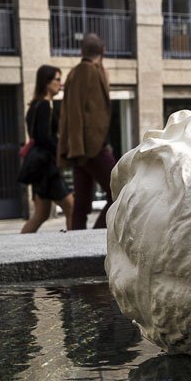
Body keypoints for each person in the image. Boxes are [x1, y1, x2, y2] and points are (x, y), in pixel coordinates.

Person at [58, 33, 115, 230]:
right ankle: (96, 236)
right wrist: (78, 149)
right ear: (104, 51)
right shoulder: (84, 70)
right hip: (89, 147)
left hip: (85, 147)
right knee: (120, 190)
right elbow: (74, 112)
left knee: (81, 203)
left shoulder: (90, 70)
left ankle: (79, 245)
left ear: (82, 51)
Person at [18, 64, 73, 234]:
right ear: (46, 82)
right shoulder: (43, 106)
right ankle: (76, 247)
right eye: (57, 79)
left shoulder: (35, 105)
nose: (60, 83)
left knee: (41, 214)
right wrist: (62, 151)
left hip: (40, 169)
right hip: (47, 169)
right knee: (72, 207)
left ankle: (18, 247)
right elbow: (43, 137)